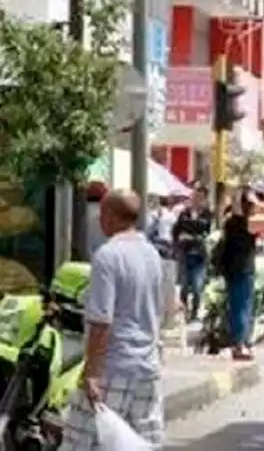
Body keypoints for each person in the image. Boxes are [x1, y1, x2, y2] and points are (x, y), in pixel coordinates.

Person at [59, 189, 165, 450]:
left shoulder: (108, 256)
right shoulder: (152, 255)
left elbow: (101, 321)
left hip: (113, 368)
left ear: (111, 216)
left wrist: (92, 373)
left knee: (80, 443)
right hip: (147, 369)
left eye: (102, 213)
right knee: (143, 444)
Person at [213, 188, 260, 361]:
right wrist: (258, 202)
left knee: (236, 306)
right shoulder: (249, 223)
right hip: (244, 269)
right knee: (243, 306)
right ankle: (240, 344)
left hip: (230, 269)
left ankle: (239, 343)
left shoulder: (230, 222)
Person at [172, 186, 214, 321]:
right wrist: (178, 241)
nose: (197, 199)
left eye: (200, 197)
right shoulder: (184, 213)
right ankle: (184, 313)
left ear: (205, 199)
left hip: (200, 255)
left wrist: (192, 236)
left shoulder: (208, 215)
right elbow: (177, 231)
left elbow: (207, 234)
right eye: (195, 196)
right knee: (183, 285)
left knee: (197, 286)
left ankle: (194, 312)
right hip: (184, 252)